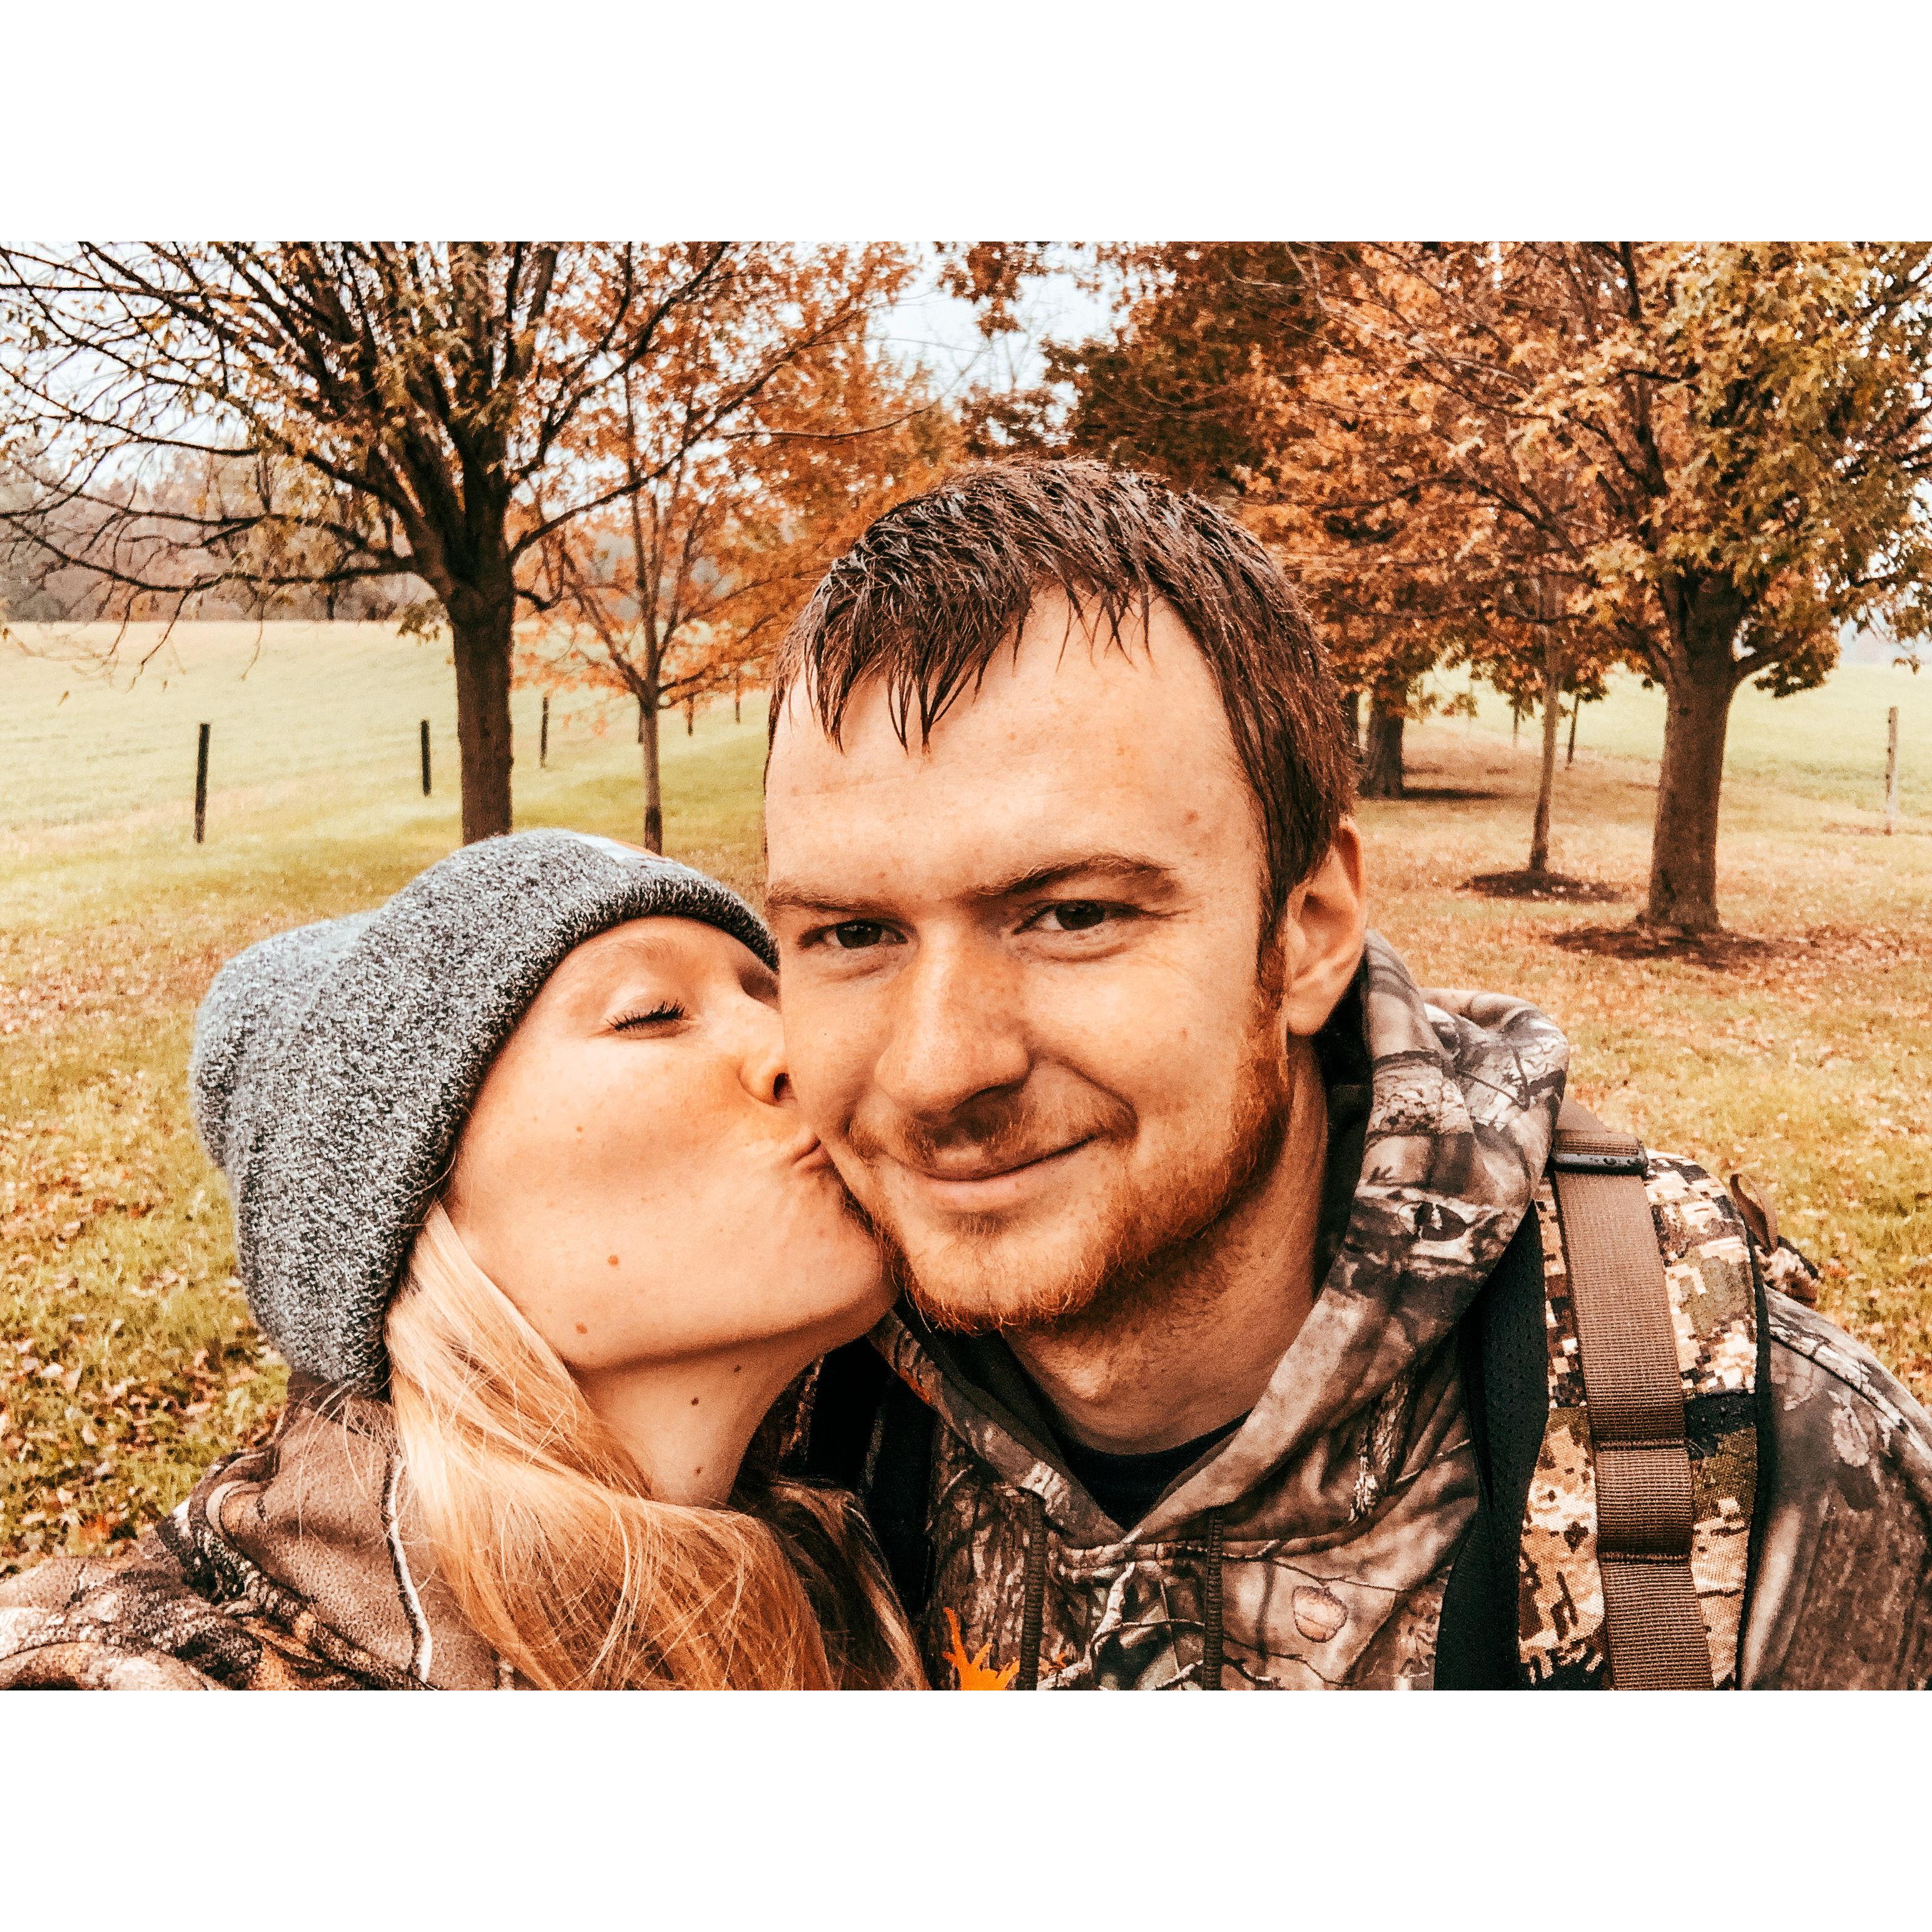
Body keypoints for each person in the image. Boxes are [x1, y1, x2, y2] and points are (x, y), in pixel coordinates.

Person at [766, 458, 1932, 1690]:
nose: (938, 1069)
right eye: (851, 933)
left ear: (1310, 932)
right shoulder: (758, 1407)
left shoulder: (1777, 1476)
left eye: (1072, 914)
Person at [0, 831, 921, 1689]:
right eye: (651, 1014)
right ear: (412, 1210)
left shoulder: (879, 1536)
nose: (802, 1054)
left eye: (774, 996)